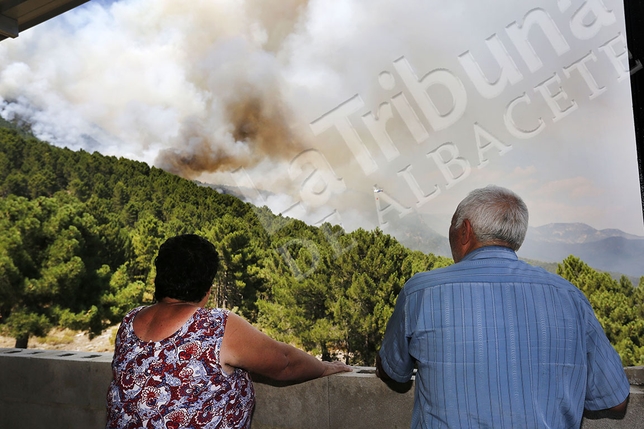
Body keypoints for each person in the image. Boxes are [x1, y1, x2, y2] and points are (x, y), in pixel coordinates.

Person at [376, 185, 630, 428]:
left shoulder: (421, 291)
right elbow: (617, 401)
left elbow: (392, 371)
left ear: (465, 230)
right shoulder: (569, 296)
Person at [106, 234, 351, 429]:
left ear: (158, 278)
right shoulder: (213, 326)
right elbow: (284, 363)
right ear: (208, 289)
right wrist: (324, 368)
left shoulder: (130, 320)